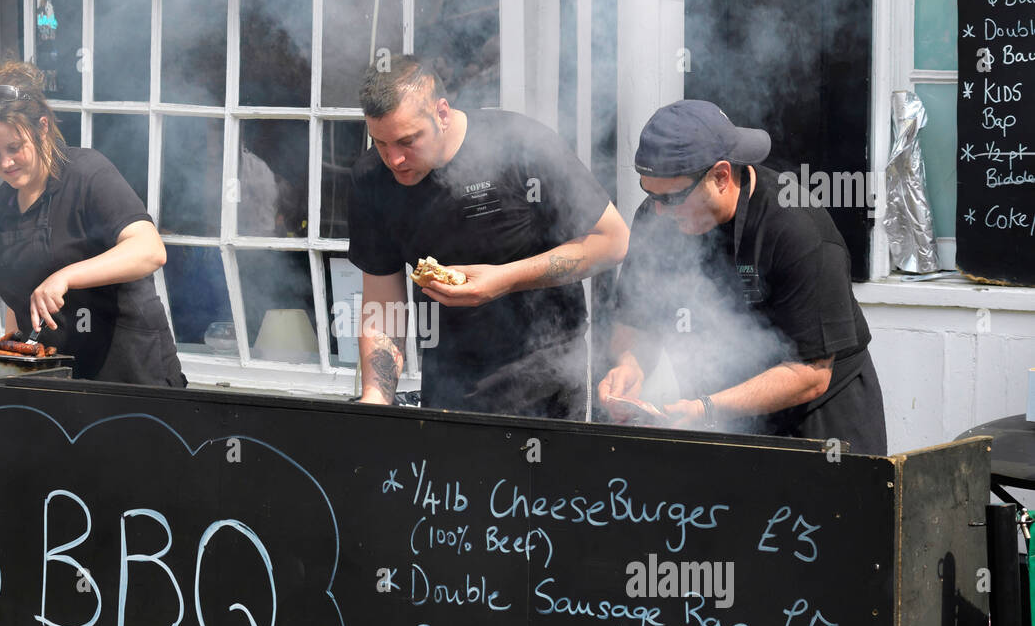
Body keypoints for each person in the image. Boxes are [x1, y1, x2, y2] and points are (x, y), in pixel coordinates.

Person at [598, 99, 885, 453]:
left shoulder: (797, 228)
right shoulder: (656, 215)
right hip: (715, 414)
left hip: (818, 422)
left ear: (720, 176)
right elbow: (636, 321)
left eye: (671, 197)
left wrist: (706, 409)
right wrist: (631, 365)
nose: (657, 210)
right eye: (649, 193)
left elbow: (811, 374)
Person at [348, 56, 629, 417]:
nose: (395, 160)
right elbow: (383, 305)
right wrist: (376, 399)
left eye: (407, 141)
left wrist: (505, 279)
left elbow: (612, 240)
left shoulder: (521, 145)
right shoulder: (371, 178)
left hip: (546, 375)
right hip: (447, 381)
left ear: (442, 113)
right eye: (380, 143)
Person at [0, 60, 185, 387]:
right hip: (61, 380)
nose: (5, 163)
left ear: (42, 127)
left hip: (131, 375)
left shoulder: (88, 174)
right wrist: (11, 351)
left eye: (14, 148)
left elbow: (150, 250)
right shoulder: (6, 201)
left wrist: (66, 276)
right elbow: (20, 298)